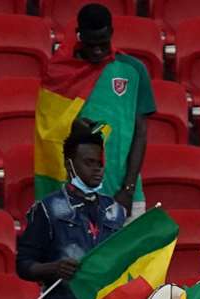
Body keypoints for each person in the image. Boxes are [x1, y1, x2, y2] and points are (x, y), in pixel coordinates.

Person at [17, 122, 131, 299]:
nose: (97, 169)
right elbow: (23, 264)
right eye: (89, 162)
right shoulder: (47, 209)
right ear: (70, 165)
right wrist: (53, 268)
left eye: (100, 163)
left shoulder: (115, 212)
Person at [38, 4, 155, 209]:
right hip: (75, 198)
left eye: (102, 43)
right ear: (79, 35)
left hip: (125, 195)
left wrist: (127, 190)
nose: (97, 50)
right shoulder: (60, 73)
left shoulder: (133, 70)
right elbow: (49, 133)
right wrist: (75, 129)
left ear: (111, 33)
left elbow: (140, 132)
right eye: (91, 44)